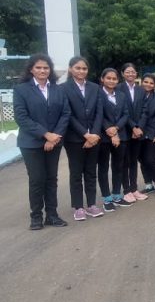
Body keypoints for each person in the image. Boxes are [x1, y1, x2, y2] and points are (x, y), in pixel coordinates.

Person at [13, 54, 70, 230]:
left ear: (50, 70)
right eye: (38, 67)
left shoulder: (58, 90)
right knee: (37, 179)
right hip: (31, 143)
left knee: (51, 179)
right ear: (31, 69)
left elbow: (65, 114)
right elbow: (21, 117)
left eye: (46, 67)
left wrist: (54, 137)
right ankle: (36, 216)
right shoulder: (21, 90)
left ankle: (52, 215)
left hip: (54, 141)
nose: (42, 70)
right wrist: (45, 135)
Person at [63, 56, 104, 221]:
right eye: (78, 68)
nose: (81, 71)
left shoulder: (95, 88)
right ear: (70, 69)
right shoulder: (63, 88)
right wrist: (85, 134)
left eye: (84, 68)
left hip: (94, 137)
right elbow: (67, 114)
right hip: (74, 138)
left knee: (91, 172)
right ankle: (78, 207)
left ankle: (92, 204)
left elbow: (99, 112)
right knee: (76, 173)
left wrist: (93, 134)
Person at [97, 68, 132, 212]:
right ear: (102, 79)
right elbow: (98, 114)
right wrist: (110, 130)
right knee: (103, 167)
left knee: (118, 166)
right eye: (108, 78)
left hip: (121, 134)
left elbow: (126, 114)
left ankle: (117, 195)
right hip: (103, 136)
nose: (111, 81)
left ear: (118, 80)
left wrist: (116, 128)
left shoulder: (122, 95)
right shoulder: (97, 94)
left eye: (114, 78)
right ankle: (107, 198)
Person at [118, 63, 149, 203]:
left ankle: (134, 188)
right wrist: (133, 127)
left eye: (133, 72)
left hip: (138, 132)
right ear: (122, 73)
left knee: (133, 161)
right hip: (124, 131)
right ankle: (126, 190)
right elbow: (121, 111)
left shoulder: (141, 90)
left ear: (136, 74)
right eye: (128, 72)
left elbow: (144, 110)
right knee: (124, 161)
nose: (130, 74)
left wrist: (139, 127)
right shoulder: (118, 88)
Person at [138, 73, 155, 196]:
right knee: (142, 160)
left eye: (151, 83)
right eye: (146, 82)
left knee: (150, 159)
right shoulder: (137, 95)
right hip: (138, 134)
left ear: (154, 85)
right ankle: (148, 184)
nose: (148, 85)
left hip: (153, 133)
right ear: (141, 82)